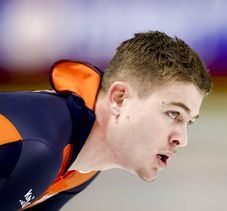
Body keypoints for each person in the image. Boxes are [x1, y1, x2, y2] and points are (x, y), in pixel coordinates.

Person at [0, 31, 212, 210]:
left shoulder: (83, 169)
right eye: (173, 113)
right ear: (119, 99)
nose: (182, 139)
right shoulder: (35, 149)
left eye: (189, 122)